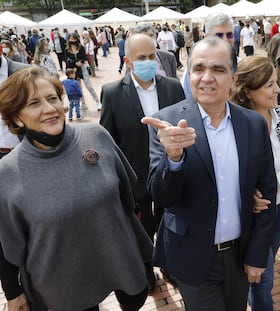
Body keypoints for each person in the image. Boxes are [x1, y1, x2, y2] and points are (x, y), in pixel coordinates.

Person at [0, 66, 153, 310]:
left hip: (118, 261)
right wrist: (12, 290)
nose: (49, 109)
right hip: (61, 284)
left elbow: (128, 196)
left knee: (135, 299)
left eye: (52, 98)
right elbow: (6, 241)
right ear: (17, 117)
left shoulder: (96, 135)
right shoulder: (7, 172)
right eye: (34, 103)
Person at [142, 36, 278, 311]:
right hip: (193, 257)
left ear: (233, 77)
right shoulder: (167, 122)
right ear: (188, 73)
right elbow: (161, 196)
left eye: (218, 70)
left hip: (240, 255)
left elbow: (268, 193)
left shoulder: (252, 124)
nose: (207, 78)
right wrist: (173, 158)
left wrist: (258, 253)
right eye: (199, 69)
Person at [99, 33, 185, 292]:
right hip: (135, 179)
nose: (149, 62)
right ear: (127, 61)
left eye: (152, 56)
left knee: (169, 223)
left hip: (169, 172)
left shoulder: (172, 86)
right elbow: (108, 139)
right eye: (141, 58)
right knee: (143, 228)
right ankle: (147, 269)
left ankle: (170, 266)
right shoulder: (112, 93)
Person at [230, 56, 280, 311]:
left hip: (279, 210)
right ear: (248, 91)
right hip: (254, 217)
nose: (278, 90)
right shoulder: (235, 124)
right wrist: (247, 196)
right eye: (270, 85)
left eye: (276, 83)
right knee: (264, 279)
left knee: (260, 276)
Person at [181, 12, 237, 99]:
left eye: (229, 35)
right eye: (219, 35)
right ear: (207, 37)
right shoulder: (194, 69)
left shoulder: (244, 65)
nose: (225, 39)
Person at [65, 32, 101, 111]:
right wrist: (74, 64)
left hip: (83, 68)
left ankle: (97, 102)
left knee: (89, 86)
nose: (73, 40)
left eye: (74, 39)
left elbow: (84, 57)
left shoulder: (80, 47)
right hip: (73, 70)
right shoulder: (67, 50)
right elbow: (66, 60)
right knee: (79, 88)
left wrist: (80, 62)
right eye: (71, 39)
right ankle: (83, 103)